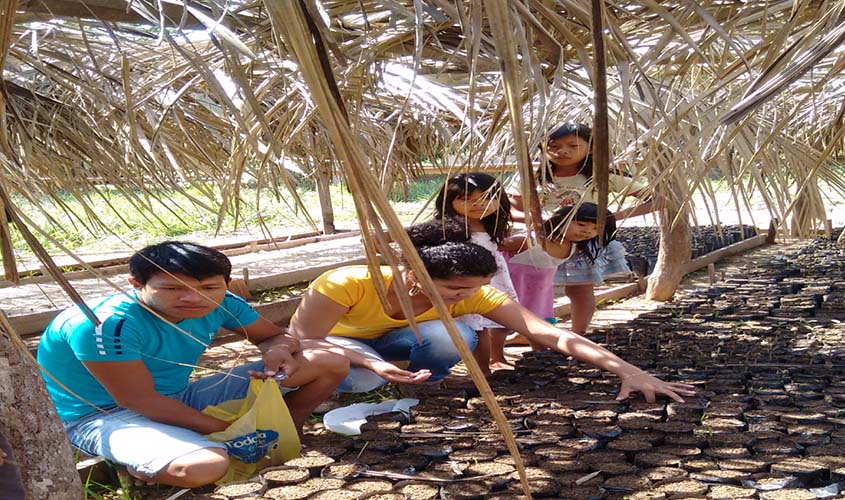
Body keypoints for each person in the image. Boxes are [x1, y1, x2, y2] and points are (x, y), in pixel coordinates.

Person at [37, 241, 349, 488]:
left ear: (226, 283)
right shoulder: (105, 325)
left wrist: (278, 351)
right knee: (206, 466)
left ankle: (288, 430)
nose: (194, 298)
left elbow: (272, 336)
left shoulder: (223, 302)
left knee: (327, 361)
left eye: (208, 288)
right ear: (136, 283)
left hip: (178, 397)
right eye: (173, 288)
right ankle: (141, 468)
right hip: (103, 416)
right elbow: (139, 401)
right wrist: (229, 431)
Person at [289, 226, 695, 404]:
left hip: (392, 343)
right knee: (360, 378)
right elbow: (303, 340)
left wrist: (627, 370)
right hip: (339, 343)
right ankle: (354, 385)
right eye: (454, 290)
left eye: (473, 288)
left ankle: (426, 383)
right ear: (414, 275)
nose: (465, 297)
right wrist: (370, 363)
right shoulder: (347, 282)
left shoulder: (475, 294)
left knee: (456, 336)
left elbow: (553, 334)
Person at [509, 123, 660, 334]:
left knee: (579, 289)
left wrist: (609, 217)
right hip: (547, 242)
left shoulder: (602, 177)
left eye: (573, 146)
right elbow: (512, 207)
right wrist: (538, 221)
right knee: (537, 287)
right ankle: (533, 333)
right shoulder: (532, 178)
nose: (563, 151)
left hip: (584, 242)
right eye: (554, 146)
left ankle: (578, 334)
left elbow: (658, 199)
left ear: (590, 149)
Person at [498, 203, 617, 364]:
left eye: (596, 228)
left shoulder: (574, 247)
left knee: (537, 325)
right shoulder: (530, 240)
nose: (588, 231)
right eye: (581, 224)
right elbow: (497, 246)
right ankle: (496, 358)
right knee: (500, 327)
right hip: (512, 289)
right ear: (561, 221)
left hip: (538, 294)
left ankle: (540, 356)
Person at [432, 172, 519, 375]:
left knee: (501, 321)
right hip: (466, 282)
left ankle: (498, 357)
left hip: (494, 278)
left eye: (487, 198)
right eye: (466, 199)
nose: (478, 204)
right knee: (476, 326)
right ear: (448, 201)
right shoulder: (446, 227)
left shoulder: (492, 224)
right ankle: (481, 369)